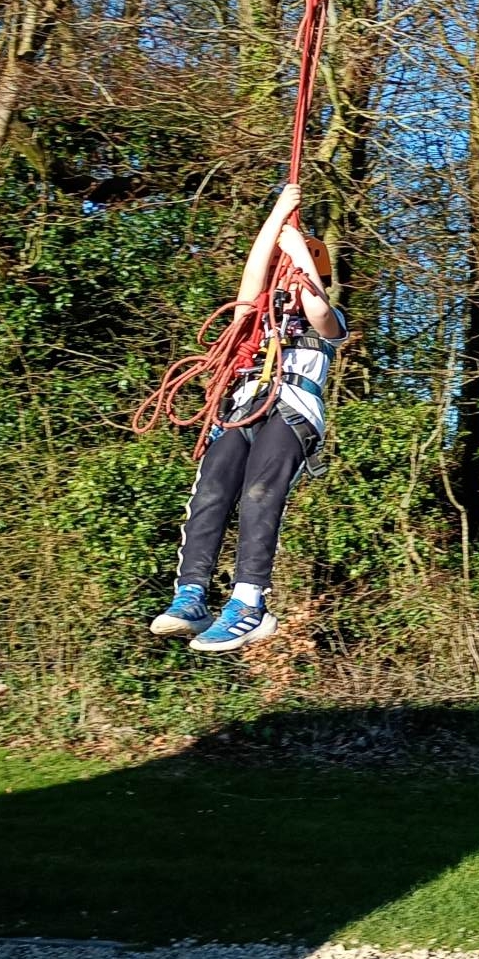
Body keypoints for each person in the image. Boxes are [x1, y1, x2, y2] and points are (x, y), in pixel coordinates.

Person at [150, 182, 347, 652]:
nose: (285, 284)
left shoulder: (329, 320)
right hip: (245, 407)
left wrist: (299, 256)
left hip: (292, 412)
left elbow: (317, 307)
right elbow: (251, 279)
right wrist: (277, 215)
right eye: (284, 277)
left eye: (293, 277)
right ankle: (191, 593)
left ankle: (248, 603)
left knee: (261, 490)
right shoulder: (256, 321)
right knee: (213, 485)